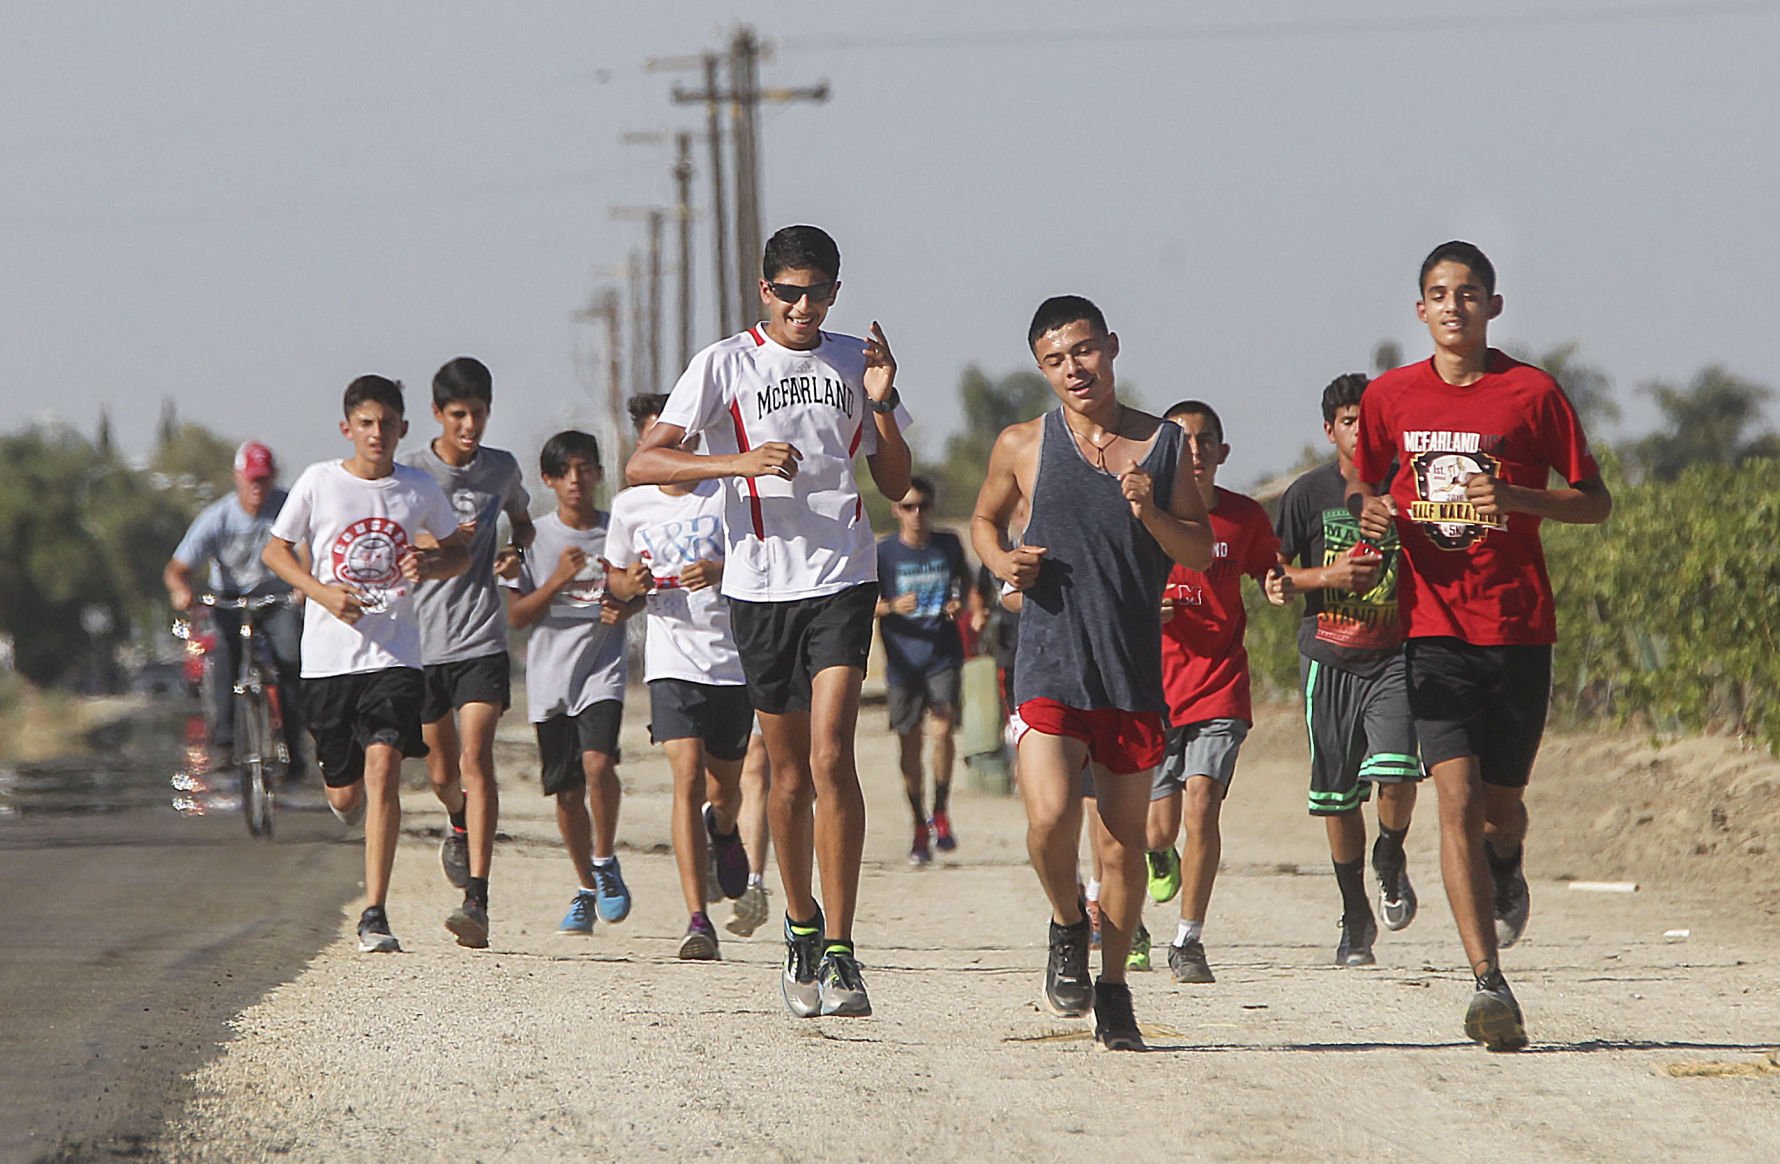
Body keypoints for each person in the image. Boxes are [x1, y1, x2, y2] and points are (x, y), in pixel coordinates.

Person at [628, 224, 911, 1019]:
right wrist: (734, 463)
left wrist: (883, 403)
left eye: (816, 292)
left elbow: (892, 479)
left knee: (831, 755)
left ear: (834, 293)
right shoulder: (724, 363)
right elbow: (647, 464)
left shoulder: (858, 358)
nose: (802, 306)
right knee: (786, 775)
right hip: (758, 588)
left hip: (842, 577)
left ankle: (847, 953)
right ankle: (801, 924)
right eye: (788, 291)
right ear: (765, 292)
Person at [1349, 240, 1611, 1051]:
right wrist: (1371, 512)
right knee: (1454, 800)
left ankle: (1508, 862)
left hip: (1519, 627)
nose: (1453, 305)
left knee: (1499, 806)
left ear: (1493, 307)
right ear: (1418, 309)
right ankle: (1487, 983)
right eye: (1438, 293)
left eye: (1469, 293)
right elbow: (1364, 480)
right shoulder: (1391, 396)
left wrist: (1519, 496)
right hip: (1431, 630)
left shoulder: (1530, 393)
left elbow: (1594, 502)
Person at [971, 295, 1213, 1051]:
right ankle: (1068, 924)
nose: (1074, 368)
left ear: (1111, 346)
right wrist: (1002, 561)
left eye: (1084, 351)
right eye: (1056, 359)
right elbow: (984, 520)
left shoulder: (1165, 444)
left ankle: (1113, 991)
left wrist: (1148, 512)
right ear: (1042, 368)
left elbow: (1200, 551)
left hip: (1130, 672)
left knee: (1121, 848)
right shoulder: (1023, 443)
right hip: (1048, 662)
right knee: (1048, 820)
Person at [262, 376, 468, 953]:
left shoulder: (419, 489)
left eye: (388, 424)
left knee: (384, 770)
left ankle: (374, 912)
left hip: (395, 654)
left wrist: (427, 566)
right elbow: (275, 551)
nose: (377, 434)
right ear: (347, 428)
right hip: (328, 661)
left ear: (404, 429)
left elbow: (459, 552)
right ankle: (344, 800)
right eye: (367, 423)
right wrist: (322, 593)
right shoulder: (319, 483)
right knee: (347, 795)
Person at [1140, 401, 1291, 983]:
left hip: (1219, 687)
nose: (1195, 450)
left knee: (1202, 802)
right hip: (1153, 689)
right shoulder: (1146, 516)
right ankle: (1158, 854)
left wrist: (1276, 581)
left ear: (1222, 453)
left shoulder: (1245, 517)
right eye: (1182, 440)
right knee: (1158, 829)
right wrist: (1145, 611)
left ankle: (1188, 939)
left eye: (1205, 441)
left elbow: (1267, 567)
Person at [1275, 373, 1422, 967]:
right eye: (1349, 420)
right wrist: (1326, 578)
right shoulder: (1307, 495)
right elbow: (1276, 580)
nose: (1360, 430)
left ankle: (1391, 853)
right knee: (1337, 797)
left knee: (1397, 774)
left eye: (1371, 419)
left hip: (1395, 655)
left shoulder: (1409, 489)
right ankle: (1353, 912)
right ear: (1330, 428)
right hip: (1329, 657)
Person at [607, 392, 753, 961]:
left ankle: (724, 829)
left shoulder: (724, 494)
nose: (672, 447)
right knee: (686, 774)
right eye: (658, 440)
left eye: (679, 436)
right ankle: (697, 919)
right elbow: (614, 581)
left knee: (725, 788)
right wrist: (631, 585)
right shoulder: (631, 507)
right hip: (671, 657)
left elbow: (760, 556)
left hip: (732, 658)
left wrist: (719, 568)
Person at [403, 356, 535, 951]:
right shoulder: (410, 475)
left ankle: (476, 897)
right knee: (442, 770)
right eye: (459, 415)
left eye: (479, 414)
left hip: (481, 634)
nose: (470, 426)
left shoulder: (500, 470)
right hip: (422, 641)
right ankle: (457, 819)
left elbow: (523, 523)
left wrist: (514, 552)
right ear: (438, 414)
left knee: (478, 756)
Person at [502, 431, 641, 939]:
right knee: (565, 793)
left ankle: (604, 859)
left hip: (601, 669)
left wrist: (625, 604)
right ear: (549, 481)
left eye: (585, 469)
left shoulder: (616, 530)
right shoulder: (533, 538)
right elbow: (516, 616)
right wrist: (557, 580)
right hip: (549, 680)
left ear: (599, 474)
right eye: (565, 473)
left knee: (599, 764)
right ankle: (586, 887)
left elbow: (638, 586)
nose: (576, 481)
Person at [164, 440, 306, 779]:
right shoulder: (217, 518)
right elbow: (177, 569)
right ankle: (225, 742)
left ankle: (294, 744)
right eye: (252, 479)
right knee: (224, 654)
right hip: (230, 600)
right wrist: (181, 591)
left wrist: (305, 583)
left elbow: (308, 550)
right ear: (238, 478)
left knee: (291, 659)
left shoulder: (288, 508)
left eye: (264, 479)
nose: (258, 487)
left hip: (277, 600)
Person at [874, 475, 973, 865]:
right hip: (902, 661)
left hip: (942, 653)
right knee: (909, 744)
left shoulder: (948, 544)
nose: (916, 514)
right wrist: (890, 607)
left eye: (923, 506)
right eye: (908, 506)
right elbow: (862, 603)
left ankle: (942, 811)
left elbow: (966, 582)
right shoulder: (884, 554)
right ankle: (918, 822)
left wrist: (960, 604)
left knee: (944, 726)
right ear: (896, 510)